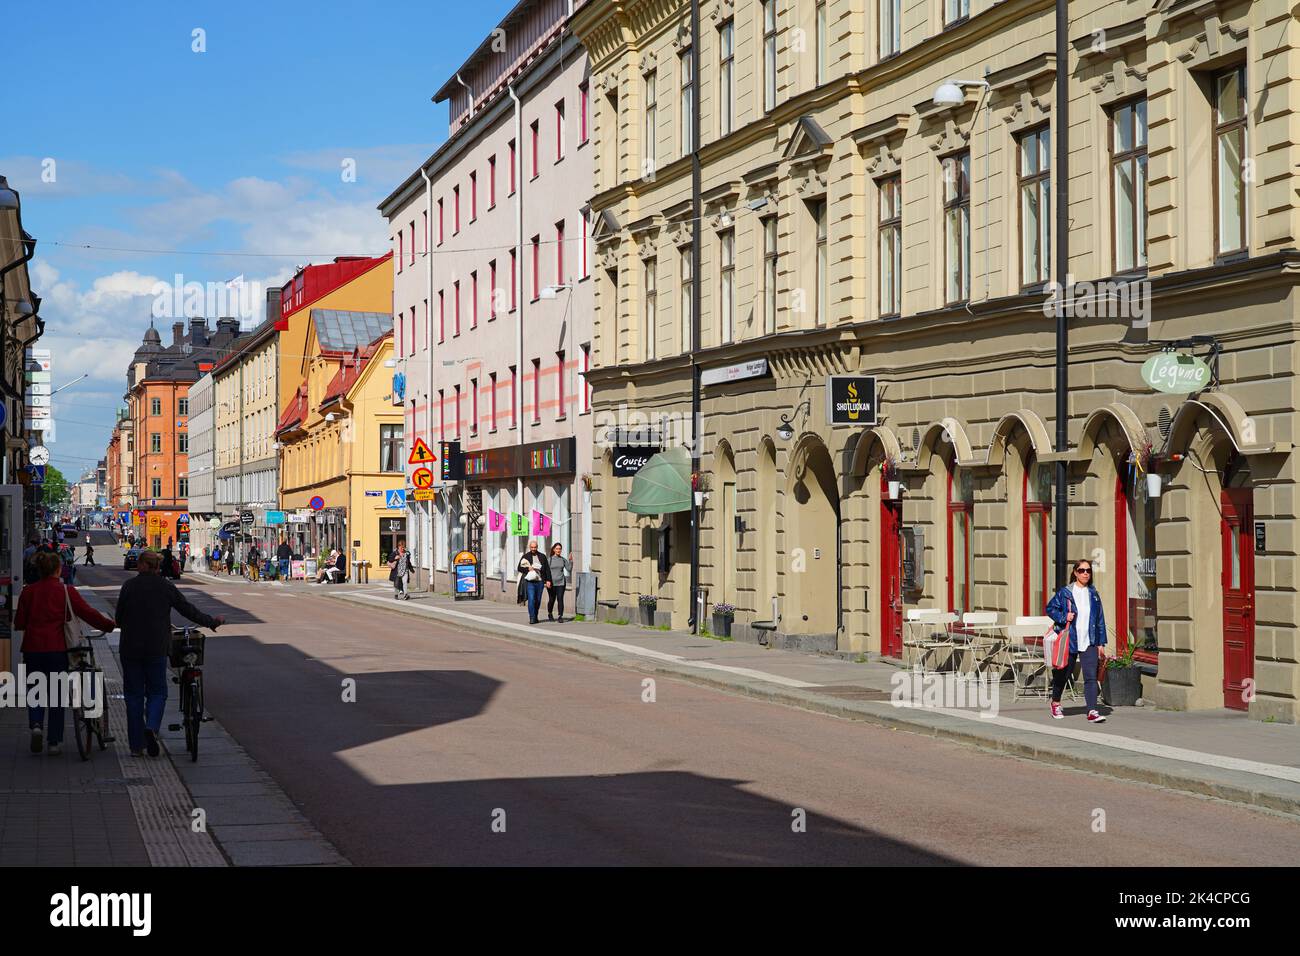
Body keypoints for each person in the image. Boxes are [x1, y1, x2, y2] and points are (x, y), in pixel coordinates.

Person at [115, 551, 225, 758]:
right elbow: (187, 610)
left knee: (134, 695)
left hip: (130, 648)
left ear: (143, 566)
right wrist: (211, 622)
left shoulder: (129, 586)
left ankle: (136, 746)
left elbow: (119, 618)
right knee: (158, 692)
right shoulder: (166, 587)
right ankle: (152, 727)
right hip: (156, 647)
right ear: (157, 567)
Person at [14, 550, 117, 756]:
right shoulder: (66, 591)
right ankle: (54, 742)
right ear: (58, 569)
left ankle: (36, 725)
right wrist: (108, 624)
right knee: (57, 696)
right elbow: (88, 613)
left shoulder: (28, 592)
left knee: (36, 690)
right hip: (59, 650)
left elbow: (19, 623)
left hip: (33, 649)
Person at [1045, 558, 1110, 723]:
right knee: (1064, 674)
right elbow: (1050, 608)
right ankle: (1056, 703)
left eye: (1088, 570)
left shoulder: (1093, 594)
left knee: (1090, 677)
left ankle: (1092, 711)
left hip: (1089, 641)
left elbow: (1100, 620)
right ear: (1075, 573)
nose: (1085, 573)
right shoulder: (1066, 592)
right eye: (1081, 570)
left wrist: (1101, 643)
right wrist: (1063, 616)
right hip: (1070, 640)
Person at [516, 540, 552, 624]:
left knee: (538, 600)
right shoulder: (526, 556)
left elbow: (547, 569)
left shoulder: (542, 556)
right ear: (529, 547)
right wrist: (527, 569)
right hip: (530, 582)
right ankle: (532, 617)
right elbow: (519, 568)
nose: (533, 549)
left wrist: (548, 580)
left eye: (535, 547)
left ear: (537, 547)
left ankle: (535, 615)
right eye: (532, 547)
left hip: (540, 582)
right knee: (531, 599)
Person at [546, 543, 573, 622]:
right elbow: (546, 571)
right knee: (552, 599)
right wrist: (546, 581)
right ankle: (550, 613)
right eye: (557, 549)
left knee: (560, 599)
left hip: (561, 583)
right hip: (551, 583)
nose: (558, 550)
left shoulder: (563, 559)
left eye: (560, 549)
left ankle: (560, 616)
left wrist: (570, 560)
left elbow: (569, 569)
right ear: (554, 549)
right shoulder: (549, 559)